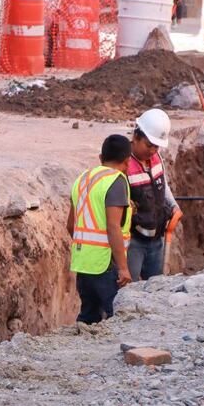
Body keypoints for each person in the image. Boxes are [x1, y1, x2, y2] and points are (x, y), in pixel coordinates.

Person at [67, 134, 133, 324]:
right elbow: (113, 227)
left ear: (100, 157)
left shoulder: (82, 179)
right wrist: (122, 267)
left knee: (88, 318)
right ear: (127, 161)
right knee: (117, 319)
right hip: (106, 265)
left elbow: (70, 225)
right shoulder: (116, 181)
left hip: (83, 264)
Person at [126, 108, 181, 282]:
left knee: (155, 289)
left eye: (156, 146)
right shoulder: (124, 163)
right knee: (129, 290)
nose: (152, 150)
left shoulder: (157, 159)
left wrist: (174, 206)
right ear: (136, 137)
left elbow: (162, 185)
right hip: (133, 241)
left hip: (157, 239)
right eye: (149, 145)